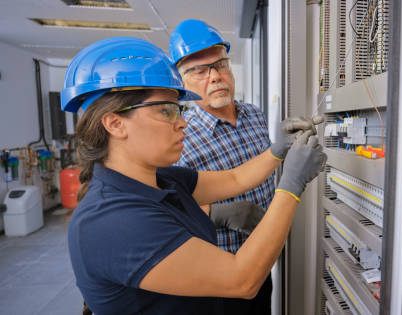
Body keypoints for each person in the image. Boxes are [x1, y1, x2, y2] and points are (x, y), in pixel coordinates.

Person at [63, 36, 326, 315]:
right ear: (115, 124)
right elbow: (242, 279)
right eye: (167, 111)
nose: (182, 123)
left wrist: (278, 150)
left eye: (178, 110)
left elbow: (235, 179)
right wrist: (291, 185)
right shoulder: (112, 221)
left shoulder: (162, 179)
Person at [168, 19, 323, 313]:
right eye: (199, 71)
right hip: (218, 276)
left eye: (220, 65)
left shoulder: (254, 115)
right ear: (182, 83)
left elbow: (252, 171)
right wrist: (218, 213)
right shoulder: (178, 137)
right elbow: (166, 206)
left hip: (262, 260)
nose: (214, 77)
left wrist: (284, 149)